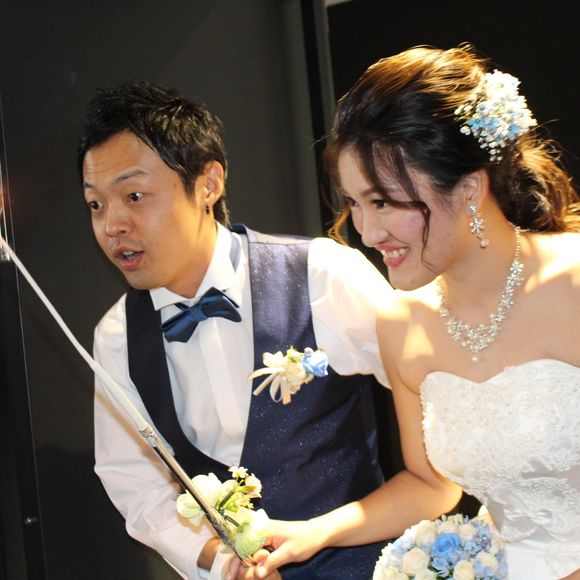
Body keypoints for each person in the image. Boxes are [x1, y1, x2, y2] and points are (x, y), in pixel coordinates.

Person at [255, 46, 580, 579]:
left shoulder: (573, 286)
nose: (366, 232)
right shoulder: (401, 321)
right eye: (355, 204)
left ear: (469, 188)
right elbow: (432, 485)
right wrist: (315, 532)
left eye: (383, 202)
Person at [78, 80, 396, 579]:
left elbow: (437, 407)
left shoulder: (323, 274)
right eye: (96, 204)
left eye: (134, 195)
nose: (112, 224)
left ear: (208, 184)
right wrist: (219, 559)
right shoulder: (117, 336)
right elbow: (137, 487)